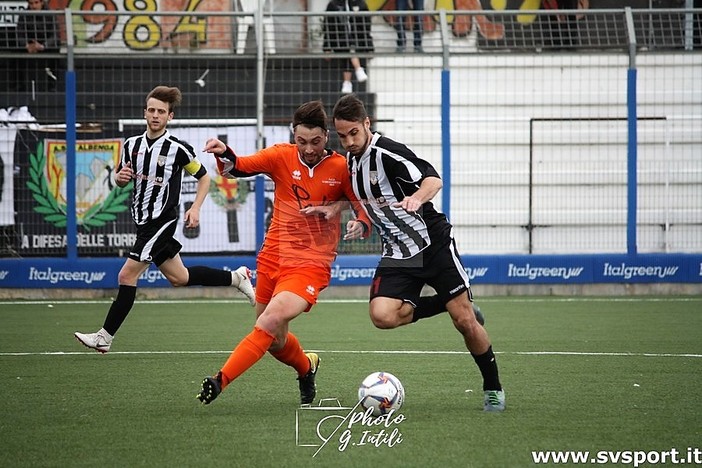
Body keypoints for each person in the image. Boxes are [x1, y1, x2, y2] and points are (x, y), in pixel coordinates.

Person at [332, 94, 505, 412]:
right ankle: (449, 302)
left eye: (353, 133)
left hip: (433, 245)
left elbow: (433, 179)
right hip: (399, 252)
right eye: (342, 136)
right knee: (382, 317)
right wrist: (359, 221)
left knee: (465, 321)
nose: (348, 141)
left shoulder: (388, 153)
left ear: (367, 124)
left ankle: (493, 388)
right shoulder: (351, 162)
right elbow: (371, 201)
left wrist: (416, 199)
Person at [196, 100, 371, 406]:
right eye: (301, 141)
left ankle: (219, 380)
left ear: (327, 136)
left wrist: (355, 220)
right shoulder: (280, 155)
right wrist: (226, 154)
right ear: (293, 135)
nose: (307, 148)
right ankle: (306, 367)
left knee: (269, 321)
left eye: (315, 142)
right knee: (275, 341)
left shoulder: (342, 168)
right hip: (273, 257)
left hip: (311, 264)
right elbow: (240, 166)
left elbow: (363, 208)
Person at [74, 86, 256, 353]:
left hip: (162, 221)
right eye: (151, 110)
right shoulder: (131, 146)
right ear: (144, 113)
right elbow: (122, 177)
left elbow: (204, 177)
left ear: (170, 116)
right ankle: (237, 278)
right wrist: (118, 179)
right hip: (142, 223)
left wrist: (195, 208)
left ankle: (105, 337)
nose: (155, 115)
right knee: (179, 277)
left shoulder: (177, 149)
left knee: (126, 275)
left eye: (161, 111)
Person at [322, 0, 374, 94]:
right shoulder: (334, 5)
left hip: (357, 42)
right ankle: (358, 69)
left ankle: (347, 82)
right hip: (339, 42)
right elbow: (328, 26)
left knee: (350, 47)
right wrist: (327, 47)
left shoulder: (360, 4)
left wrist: (369, 47)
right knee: (349, 46)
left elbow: (366, 27)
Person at [15, 0, 60, 91]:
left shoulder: (51, 14)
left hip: (45, 46)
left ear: (42, 3)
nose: (34, 6)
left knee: (56, 52)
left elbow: (55, 36)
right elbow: (19, 34)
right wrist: (27, 45)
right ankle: (20, 86)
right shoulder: (23, 15)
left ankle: (52, 86)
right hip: (30, 45)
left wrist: (43, 46)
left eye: (36, 3)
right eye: (31, 3)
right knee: (16, 55)